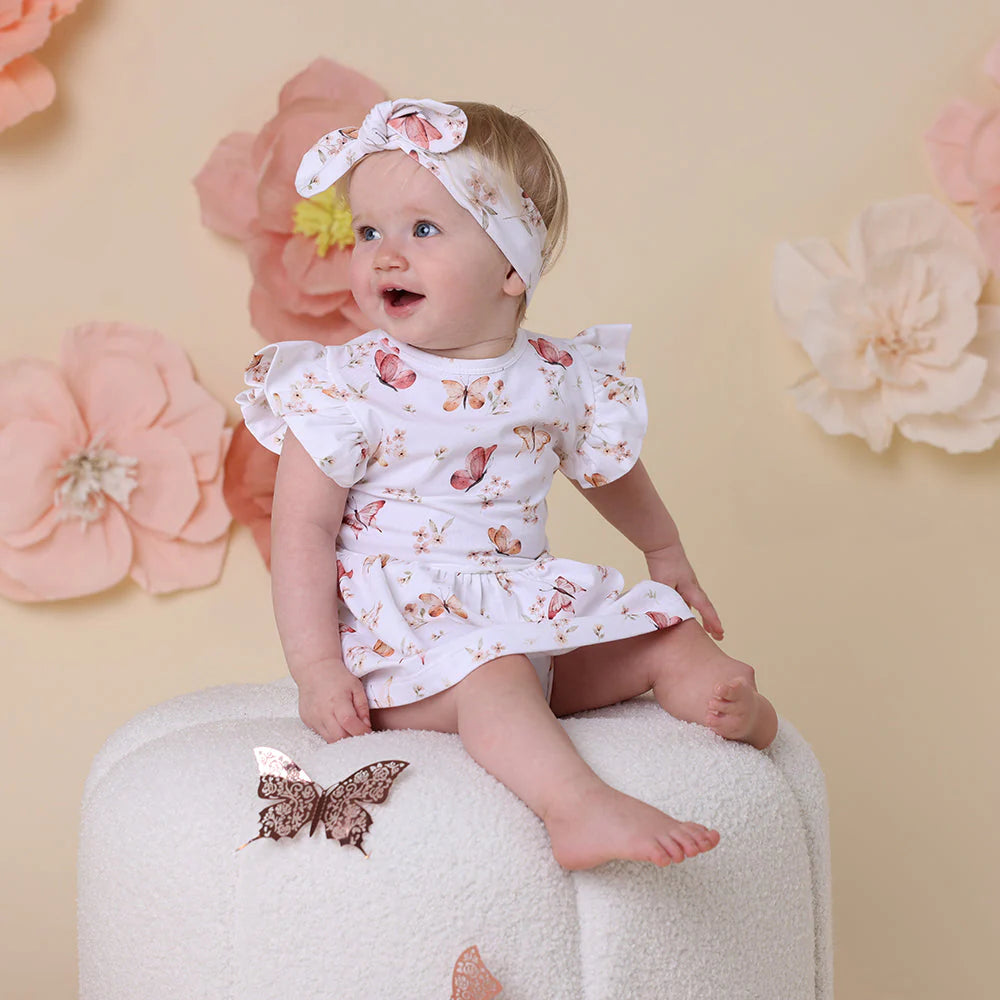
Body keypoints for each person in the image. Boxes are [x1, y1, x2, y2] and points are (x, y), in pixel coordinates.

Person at [238, 97, 778, 871]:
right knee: (495, 677)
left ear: (511, 265)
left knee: (665, 630)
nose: (385, 256)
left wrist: (665, 554)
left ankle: (739, 711)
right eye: (369, 233)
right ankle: (577, 808)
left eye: (423, 230)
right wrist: (317, 669)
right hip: (408, 647)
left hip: (521, 608)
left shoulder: (556, 376)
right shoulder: (345, 386)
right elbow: (302, 531)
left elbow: (609, 469)